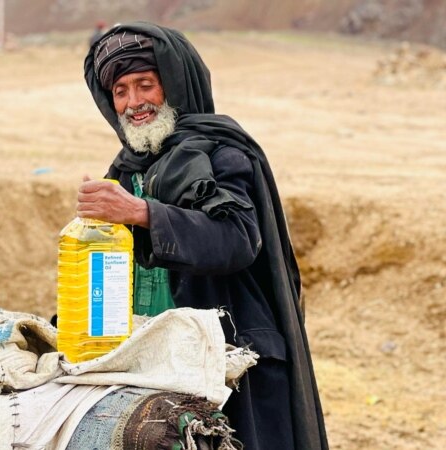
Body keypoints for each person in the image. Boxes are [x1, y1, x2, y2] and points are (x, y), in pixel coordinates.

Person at [77, 22, 328, 450]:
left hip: (230, 360)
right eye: (121, 91)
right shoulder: (124, 170)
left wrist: (141, 213)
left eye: (145, 85)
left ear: (174, 86)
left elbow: (236, 239)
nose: (133, 103)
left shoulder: (222, 153)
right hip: (152, 360)